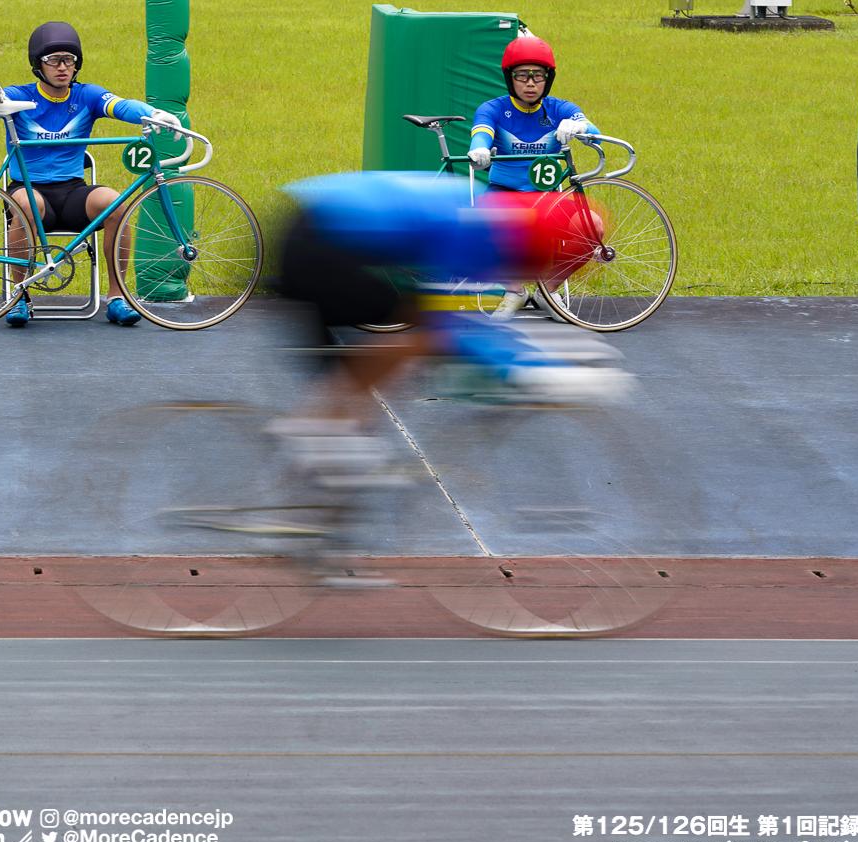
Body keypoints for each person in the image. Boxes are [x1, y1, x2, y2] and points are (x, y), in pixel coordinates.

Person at [166, 171, 625, 565]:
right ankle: (313, 443)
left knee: (365, 386)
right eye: (543, 264)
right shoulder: (478, 230)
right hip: (316, 244)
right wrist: (537, 370)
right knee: (419, 334)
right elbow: (450, 324)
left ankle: (321, 522)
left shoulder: (499, 215)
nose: (537, 275)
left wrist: (527, 361)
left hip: (319, 229)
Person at [0, 20, 183, 327]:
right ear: (38, 65)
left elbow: (121, 105)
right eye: (53, 60)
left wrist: (152, 114)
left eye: (69, 60)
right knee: (29, 206)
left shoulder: (87, 96)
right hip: (28, 190)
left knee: (116, 204)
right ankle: (19, 298)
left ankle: (116, 298)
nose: (62, 67)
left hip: (72, 192)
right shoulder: (20, 96)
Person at [466, 34, 595, 316]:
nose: (530, 83)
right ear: (509, 78)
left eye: (538, 75)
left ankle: (548, 290)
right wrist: (479, 149)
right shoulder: (493, 108)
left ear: (548, 78)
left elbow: (592, 130)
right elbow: (482, 131)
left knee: (592, 226)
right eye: (521, 75)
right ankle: (514, 291)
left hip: (549, 198)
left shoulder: (561, 108)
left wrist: (579, 127)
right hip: (504, 194)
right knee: (475, 224)